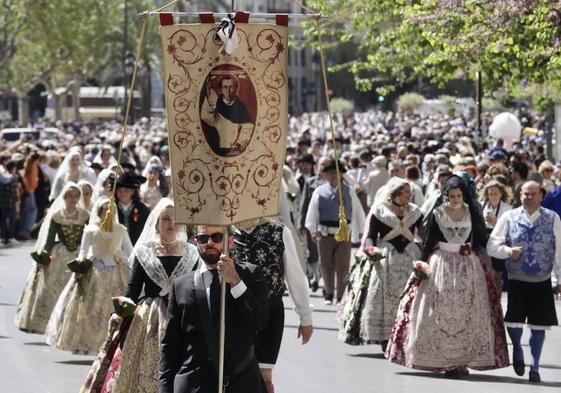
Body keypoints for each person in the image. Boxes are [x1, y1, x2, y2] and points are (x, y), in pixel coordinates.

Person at [386, 176, 509, 377]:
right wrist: (422, 264)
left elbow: (482, 239)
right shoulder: (438, 213)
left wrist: (502, 252)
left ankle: (462, 361)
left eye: (458, 195)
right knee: (437, 311)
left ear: (464, 195)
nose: (455, 199)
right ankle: (442, 359)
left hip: (468, 266)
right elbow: (429, 240)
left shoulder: (472, 213)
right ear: (446, 196)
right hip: (441, 263)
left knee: (467, 311)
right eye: (451, 195)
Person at [100, 198, 199, 393]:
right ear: (156, 222)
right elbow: (134, 288)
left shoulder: (192, 252)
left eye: (175, 220)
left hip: (181, 315)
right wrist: (119, 312)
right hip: (150, 317)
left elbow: (196, 287)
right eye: (165, 219)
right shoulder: (144, 252)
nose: (171, 224)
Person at [159, 224, 269, 393]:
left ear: (230, 241)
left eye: (216, 237)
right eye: (203, 238)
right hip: (194, 384)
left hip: (240, 382)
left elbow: (259, 321)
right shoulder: (181, 285)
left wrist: (236, 282)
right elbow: (171, 344)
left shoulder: (251, 274)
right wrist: (165, 388)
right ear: (196, 242)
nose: (209, 242)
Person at [487, 180, 561, 383]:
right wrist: (508, 251)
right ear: (520, 195)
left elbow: (560, 251)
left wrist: (559, 278)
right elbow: (492, 245)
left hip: (542, 279)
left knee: (539, 325)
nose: (529, 197)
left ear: (541, 196)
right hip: (517, 279)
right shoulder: (509, 217)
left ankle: (535, 367)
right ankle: (518, 349)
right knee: (513, 321)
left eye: (533, 194)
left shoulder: (553, 218)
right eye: (525, 194)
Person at [339, 178, 422, 352]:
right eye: (406, 191)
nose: (409, 195)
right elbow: (371, 234)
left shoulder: (415, 212)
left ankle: (406, 334)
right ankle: (385, 336)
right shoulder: (380, 212)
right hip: (386, 259)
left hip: (409, 257)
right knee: (383, 296)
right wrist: (372, 249)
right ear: (396, 193)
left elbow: (423, 233)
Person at [231, 218, 313, 393]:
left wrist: (305, 316)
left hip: (270, 313)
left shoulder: (278, 231)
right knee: (235, 372)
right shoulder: (224, 230)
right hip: (234, 314)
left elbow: (294, 274)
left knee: (263, 375)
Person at [45, 196, 133, 354]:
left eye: (111, 210)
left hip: (116, 272)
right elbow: (84, 251)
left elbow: (130, 250)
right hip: (95, 271)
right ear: (99, 212)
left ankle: (112, 342)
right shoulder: (91, 230)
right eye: (105, 209)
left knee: (112, 308)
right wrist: (81, 266)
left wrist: (125, 261)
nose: (108, 212)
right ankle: (87, 342)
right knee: (90, 308)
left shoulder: (120, 229)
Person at [15, 182, 89, 334]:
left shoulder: (84, 215)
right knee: (53, 288)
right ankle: (49, 322)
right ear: (65, 197)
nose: (73, 199)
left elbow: (86, 238)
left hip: (77, 254)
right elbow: (49, 239)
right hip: (60, 255)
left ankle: (70, 324)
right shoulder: (57, 216)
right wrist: (44, 257)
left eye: (76, 196)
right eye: (70, 196)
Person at [305, 158, 365, 304]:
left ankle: (341, 296)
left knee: (343, 265)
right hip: (325, 233)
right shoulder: (319, 191)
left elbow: (357, 211)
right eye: (330, 172)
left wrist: (361, 230)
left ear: (341, 174)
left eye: (336, 172)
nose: (333, 175)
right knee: (325, 264)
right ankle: (329, 292)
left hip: (344, 233)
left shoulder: (349, 191)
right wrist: (313, 230)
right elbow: (312, 212)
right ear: (325, 174)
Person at [200, 76, 254, 156]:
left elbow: (248, 126)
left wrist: (239, 144)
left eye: (231, 87)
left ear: (236, 89)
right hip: (220, 149)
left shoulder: (240, 107)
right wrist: (208, 93)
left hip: (237, 150)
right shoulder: (217, 105)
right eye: (225, 87)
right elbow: (207, 118)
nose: (228, 91)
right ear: (221, 89)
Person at [479, 179, 513, 291]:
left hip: (499, 240)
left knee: (497, 274)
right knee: (485, 272)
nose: (493, 196)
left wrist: (495, 223)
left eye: (495, 193)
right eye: (490, 194)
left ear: (501, 194)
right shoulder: (482, 206)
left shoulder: (507, 209)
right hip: (484, 240)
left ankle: (497, 302)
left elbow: (509, 230)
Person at [115, 172, 150, 245]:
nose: (122, 193)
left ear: (133, 191)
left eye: (126, 190)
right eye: (120, 190)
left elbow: (147, 230)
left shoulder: (143, 209)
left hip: (137, 246)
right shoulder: (111, 208)